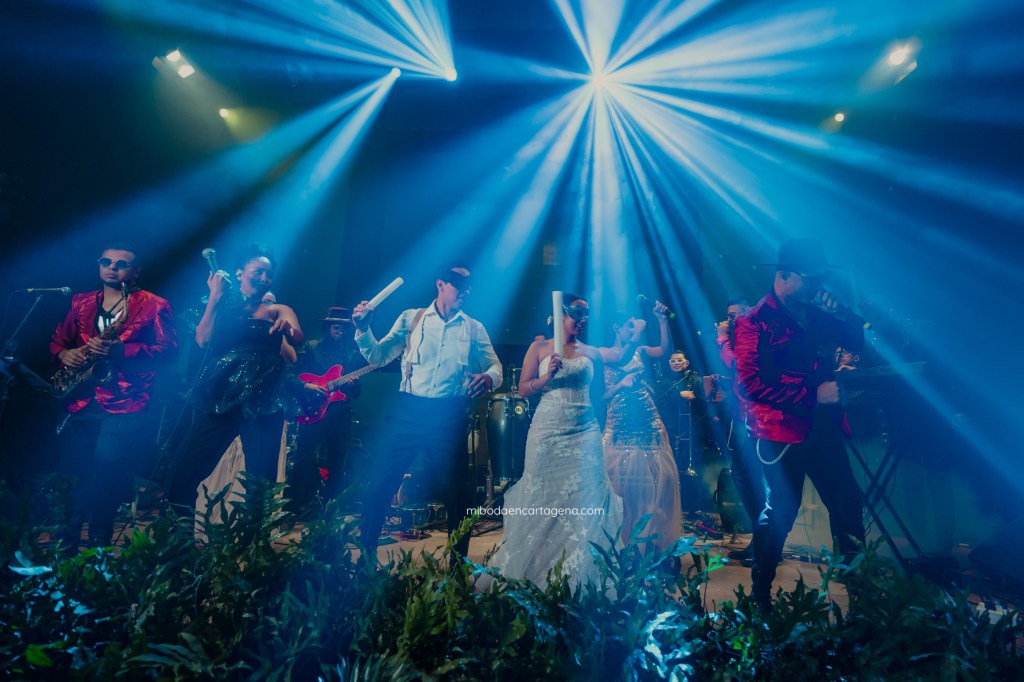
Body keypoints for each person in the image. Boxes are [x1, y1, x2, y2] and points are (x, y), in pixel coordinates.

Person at [733, 238, 866, 612]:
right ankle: (760, 596)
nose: (817, 285)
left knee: (848, 507)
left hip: (823, 429)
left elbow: (856, 341)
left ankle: (862, 597)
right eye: (811, 278)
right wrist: (812, 393)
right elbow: (750, 384)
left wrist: (843, 311)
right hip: (781, 433)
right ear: (784, 274)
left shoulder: (818, 314)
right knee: (781, 514)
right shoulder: (752, 322)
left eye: (821, 278)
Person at [352, 266, 501, 561]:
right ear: (440, 284)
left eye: (470, 285)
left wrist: (488, 378)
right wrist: (363, 328)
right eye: (459, 284)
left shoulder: (474, 328)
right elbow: (378, 357)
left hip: (448, 416)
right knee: (380, 483)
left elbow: (495, 366)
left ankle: (458, 568)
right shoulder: (411, 318)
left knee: (457, 493)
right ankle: (365, 564)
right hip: (408, 411)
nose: (467, 290)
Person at [166, 243, 315, 510]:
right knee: (183, 474)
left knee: (260, 484)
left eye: (269, 275)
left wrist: (287, 331)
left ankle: (252, 536)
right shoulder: (221, 305)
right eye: (258, 272)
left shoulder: (277, 309)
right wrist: (215, 297)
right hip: (221, 396)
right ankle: (181, 534)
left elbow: (297, 338)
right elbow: (203, 340)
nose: (264, 278)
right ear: (239, 273)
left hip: (265, 401)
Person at [489, 294, 623, 586]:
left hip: (585, 430)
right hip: (548, 430)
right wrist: (546, 376)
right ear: (561, 313)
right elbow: (523, 390)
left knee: (589, 497)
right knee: (541, 495)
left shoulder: (589, 351)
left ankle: (580, 575)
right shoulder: (539, 348)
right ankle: (535, 572)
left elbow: (610, 374)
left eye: (586, 314)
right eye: (577, 313)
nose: (583, 320)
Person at [49, 243, 177, 548]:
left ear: (136, 272)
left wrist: (124, 350)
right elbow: (57, 340)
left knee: (107, 471)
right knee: (74, 471)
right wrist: (65, 354)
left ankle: (99, 540)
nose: (112, 267)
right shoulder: (81, 301)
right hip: (82, 397)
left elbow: (169, 351)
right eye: (106, 261)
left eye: (121, 264)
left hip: (126, 400)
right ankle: (65, 541)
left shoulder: (155, 304)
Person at [601, 303, 682, 553]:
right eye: (629, 325)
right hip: (620, 423)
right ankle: (623, 542)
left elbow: (664, 350)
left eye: (634, 325)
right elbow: (601, 397)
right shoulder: (605, 354)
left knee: (658, 479)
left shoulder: (639, 350)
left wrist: (662, 320)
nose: (634, 329)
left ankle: (654, 541)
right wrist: (621, 384)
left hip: (647, 419)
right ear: (616, 327)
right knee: (620, 483)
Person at [293, 307, 367, 505]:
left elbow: (356, 393)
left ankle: (330, 509)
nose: (340, 330)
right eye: (336, 326)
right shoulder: (311, 347)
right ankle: (296, 506)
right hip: (312, 409)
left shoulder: (352, 355)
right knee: (303, 459)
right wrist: (306, 386)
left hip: (339, 414)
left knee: (337, 463)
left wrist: (352, 386)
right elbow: (291, 372)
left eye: (344, 327)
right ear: (327, 327)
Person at [714, 295, 765, 564]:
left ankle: (766, 546)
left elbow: (738, 365)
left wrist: (722, 339)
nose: (731, 320)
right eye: (729, 316)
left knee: (754, 479)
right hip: (742, 416)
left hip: (757, 420)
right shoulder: (742, 337)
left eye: (735, 314)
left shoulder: (755, 333)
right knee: (743, 477)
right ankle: (761, 541)